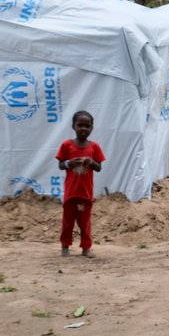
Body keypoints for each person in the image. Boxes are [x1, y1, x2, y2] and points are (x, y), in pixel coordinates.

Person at [55, 109, 105, 257]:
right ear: (73, 126)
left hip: (85, 193)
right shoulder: (66, 145)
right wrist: (70, 163)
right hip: (71, 193)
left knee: (85, 223)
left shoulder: (94, 147)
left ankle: (86, 248)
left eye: (87, 126)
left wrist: (91, 162)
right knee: (68, 222)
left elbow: (99, 168)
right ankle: (65, 247)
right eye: (80, 125)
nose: (83, 128)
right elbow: (60, 165)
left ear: (91, 128)